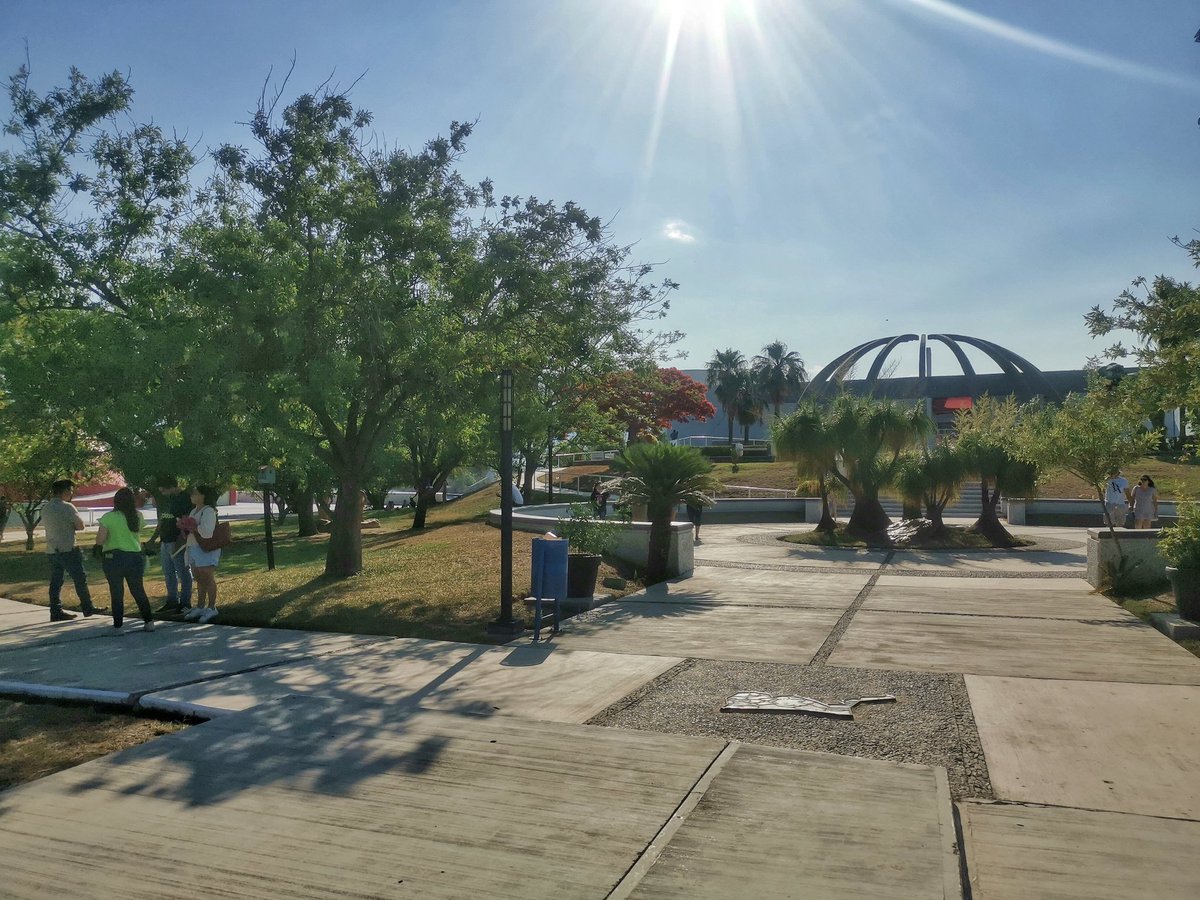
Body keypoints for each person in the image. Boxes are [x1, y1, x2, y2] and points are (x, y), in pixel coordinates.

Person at [94, 487, 154, 632]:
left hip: (114, 557)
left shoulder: (108, 517)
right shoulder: (137, 516)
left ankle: (118, 626)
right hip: (135, 556)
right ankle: (149, 621)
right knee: (138, 590)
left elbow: (100, 540)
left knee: (116, 591)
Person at [42, 479, 97, 622]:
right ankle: (87, 606)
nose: (71, 494)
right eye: (70, 491)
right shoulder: (68, 507)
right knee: (80, 578)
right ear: (65, 491)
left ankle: (55, 610)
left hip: (52, 550)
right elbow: (80, 526)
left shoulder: (46, 508)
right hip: (68, 548)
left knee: (55, 582)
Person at [148, 475, 193, 615]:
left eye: (163, 490)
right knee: (168, 573)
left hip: (177, 540)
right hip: (165, 540)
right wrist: (153, 538)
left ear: (172, 487)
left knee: (183, 572)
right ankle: (172, 601)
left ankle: (185, 603)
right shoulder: (169, 500)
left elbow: (187, 521)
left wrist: (182, 538)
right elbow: (163, 520)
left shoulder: (185, 498)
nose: (162, 493)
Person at [182, 484, 222, 623]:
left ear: (203, 496)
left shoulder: (209, 511)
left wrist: (193, 526)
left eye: (196, 493)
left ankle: (211, 607)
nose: (192, 495)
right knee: (198, 577)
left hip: (205, 548)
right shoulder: (194, 511)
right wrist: (183, 526)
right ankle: (200, 606)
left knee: (207, 577)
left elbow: (207, 532)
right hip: (193, 547)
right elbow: (190, 530)